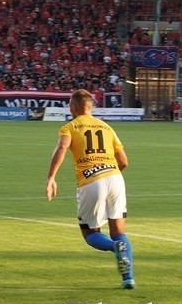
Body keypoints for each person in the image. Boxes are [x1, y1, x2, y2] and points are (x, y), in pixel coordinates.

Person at [44, 89, 135, 289]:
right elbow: (124, 161)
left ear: (73, 108)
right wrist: (110, 172)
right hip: (116, 178)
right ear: (91, 107)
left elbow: (61, 148)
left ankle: (114, 248)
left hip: (90, 180)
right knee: (119, 232)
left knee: (90, 233)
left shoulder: (69, 127)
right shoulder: (107, 127)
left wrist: (51, 177)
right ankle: (128, 278)